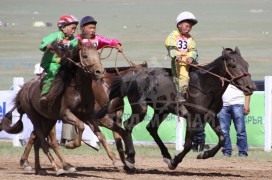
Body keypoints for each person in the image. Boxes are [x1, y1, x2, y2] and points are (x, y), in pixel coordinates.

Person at [39, 15, 79, 106]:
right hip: (51, 63)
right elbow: (43, 43)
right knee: (52, 72)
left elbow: (78, 46)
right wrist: (47, 46)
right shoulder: (55, 36)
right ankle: (44, 94)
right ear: (63, 27)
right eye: (72, 28)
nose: (73, 31)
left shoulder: (73, 40)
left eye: (75, 29)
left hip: (64, 64)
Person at [165, 11, 199, 102]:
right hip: (178, 61)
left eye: (190, 27)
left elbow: (194, 50)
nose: (188, 29)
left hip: (188, 60)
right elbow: (171, 47)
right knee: (183, 76)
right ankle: (181, 94)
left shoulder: (190, 38)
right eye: (187, 26)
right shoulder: (173, 35)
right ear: (179, 24)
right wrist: (176, 55)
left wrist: (191, 57)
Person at [218, 84, 251, 157]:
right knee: (223, 131)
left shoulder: (240, 74)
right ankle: (226, 152)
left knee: (240, 131)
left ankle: (242, 152)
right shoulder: (221, 74)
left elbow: (248, 91)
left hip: (238, 104)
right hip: (222, 105)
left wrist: (247, 105)